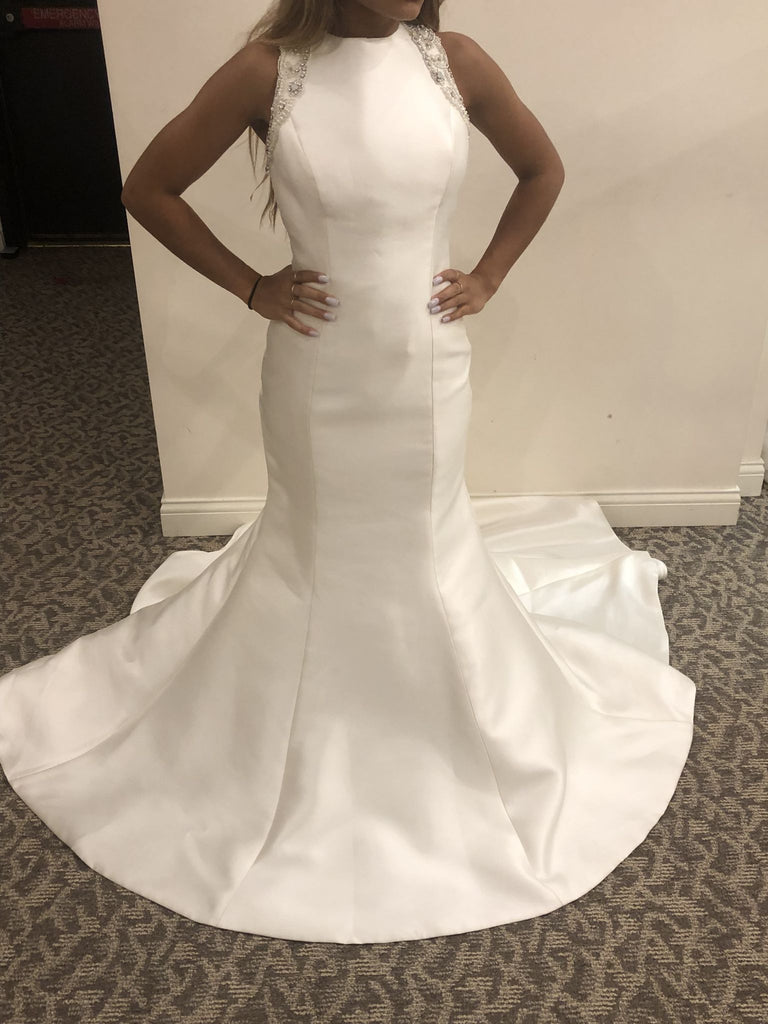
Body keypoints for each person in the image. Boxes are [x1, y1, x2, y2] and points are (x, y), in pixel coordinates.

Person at [0, 0, 696, 945]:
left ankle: (441, 734)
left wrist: (488, 275)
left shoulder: (456, 61)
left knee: (426, 542)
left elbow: (543, 170)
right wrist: (253, 286)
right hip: (319, 376)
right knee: (315, 547)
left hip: (428, 372)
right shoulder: (268, 70)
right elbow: (149, 188)